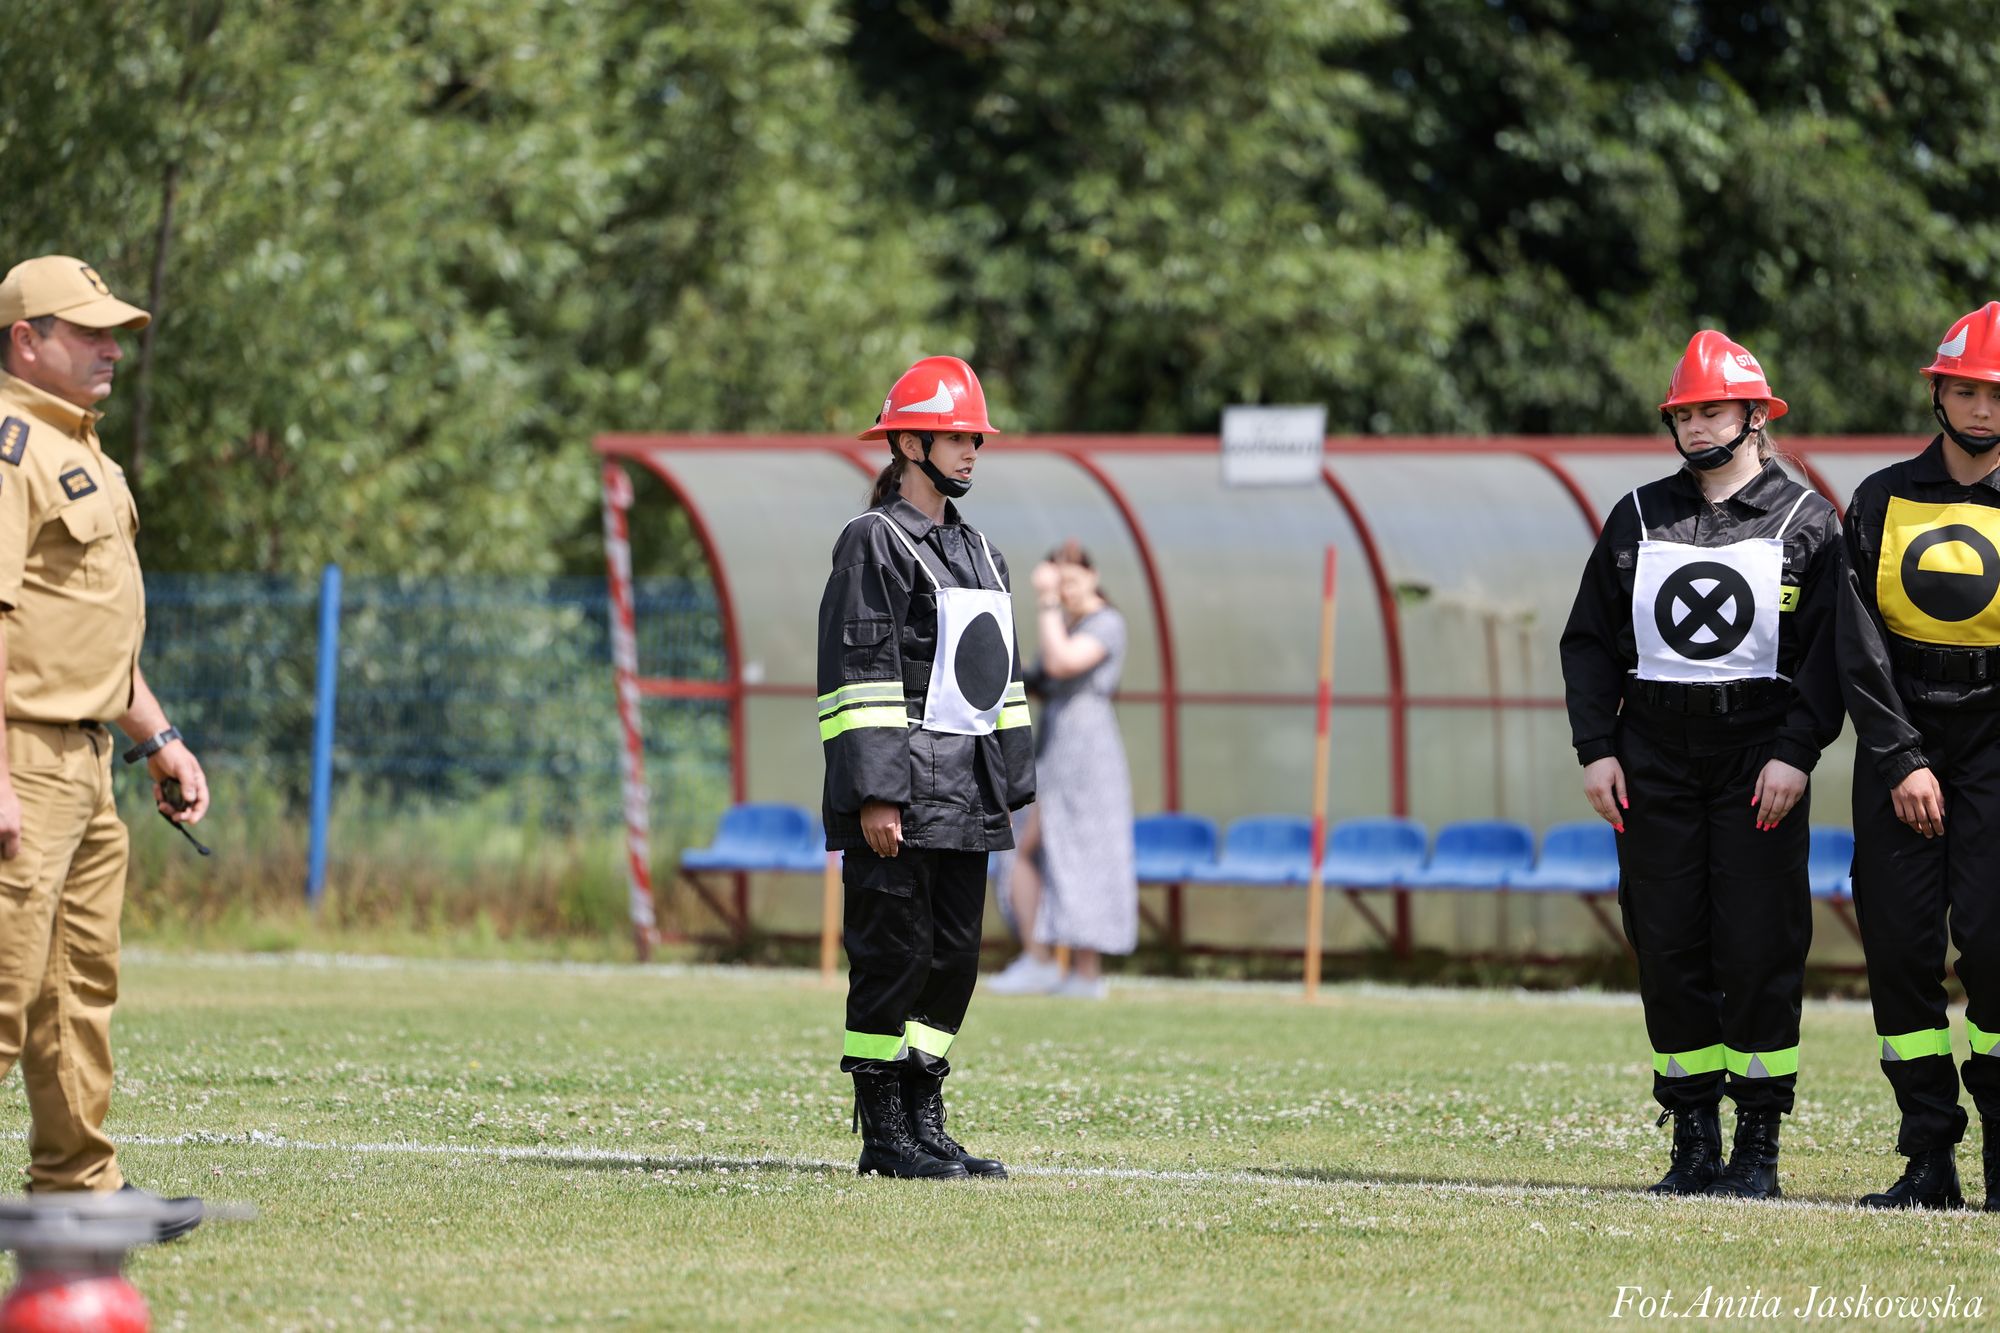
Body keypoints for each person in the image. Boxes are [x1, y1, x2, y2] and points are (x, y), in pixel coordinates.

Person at [1559, 330, 1844, 1200]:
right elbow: (1588, 642)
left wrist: (1797, 752)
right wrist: (1596, 747)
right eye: (1682, 413)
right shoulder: (1637, 516)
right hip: (1652, 758)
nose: (1694, 426)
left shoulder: (1810, 522)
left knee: (1759, 946)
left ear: (1756, 414)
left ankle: (1758, 1144)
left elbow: (1833, 655)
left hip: (1760, 759)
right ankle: (1692, 1138)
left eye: (1711, 409)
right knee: (1668, 941)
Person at [0, 256, 211, 1238]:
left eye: (113, 330)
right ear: (25, 339)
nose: (110, 348)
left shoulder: (79, 447)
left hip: (88, 760)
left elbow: (83, 623)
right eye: (85, 331)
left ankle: (78, 1193)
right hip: (21, 759)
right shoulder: (9, 449)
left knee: (74, 991)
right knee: (4, 986)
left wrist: (157, 734)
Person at [816, 354, 1034, 1180]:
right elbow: (859, 673)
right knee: (892, 956)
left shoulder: (981, 549)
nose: (971, 448)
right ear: (908, 442)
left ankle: (923, 1111)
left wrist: (1014, 782)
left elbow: (1000, 677)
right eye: (954, 435)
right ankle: (884, 1133)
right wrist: (875, 792)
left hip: (968, 795)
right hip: (900, 794)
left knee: (953, 961)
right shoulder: (872, 542)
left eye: (974, 435)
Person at [1838, 301, 2000, 1211]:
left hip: (1995, 747)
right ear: (1939, 392)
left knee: (1996, 943)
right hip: (1902, 742)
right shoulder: (1879, 498)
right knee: (1900, 951)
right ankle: (1928, 1157)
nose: (1982, 410)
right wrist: (1900, 759)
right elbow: (1857, 647)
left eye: (1997, 395)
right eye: (1967, 390)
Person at [986, 542, 1135, 999]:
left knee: (1086, 853)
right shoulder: (1067, 626)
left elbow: (1063, 661)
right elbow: (1044, 675)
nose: (1063, 593)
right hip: (1053, 751)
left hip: (1087, 754)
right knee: (1028, 852)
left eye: (1070, 582)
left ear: (1092, 576)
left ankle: (1081, 971)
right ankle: (1040, 956)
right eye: (1057, 584)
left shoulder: (1107, 623)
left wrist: (1046, 602)